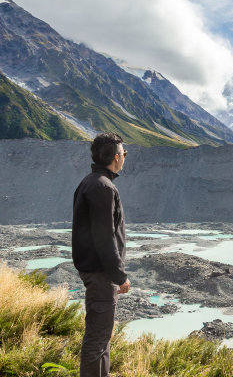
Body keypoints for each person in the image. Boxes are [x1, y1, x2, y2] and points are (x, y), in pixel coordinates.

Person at [72, 132, 131, 377]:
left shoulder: (90, 182)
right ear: (116, 157)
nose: (125, 158)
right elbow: (104, 238)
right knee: (97, 339)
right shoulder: (103, 187)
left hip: (96, 271)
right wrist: (120, 276)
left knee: (102, 337)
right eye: (124, 154)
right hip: (101, 274)